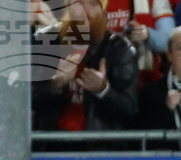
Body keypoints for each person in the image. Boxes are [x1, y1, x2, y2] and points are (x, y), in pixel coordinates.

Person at [32, 0, 140, 140]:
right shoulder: (47, 40)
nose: (85, 10)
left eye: (93, 4)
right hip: (51, 140)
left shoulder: (119, 49)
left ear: (104, 13)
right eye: (79, 2)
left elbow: (130, 109)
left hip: (97, 144)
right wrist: (55, 85)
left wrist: (103, 90)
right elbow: (25, 100)